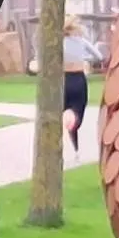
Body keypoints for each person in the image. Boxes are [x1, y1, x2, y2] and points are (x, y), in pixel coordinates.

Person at [33, 18, 106, 153]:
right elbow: (99, 56)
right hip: (78, 78)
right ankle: (74, 140)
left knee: (61, 109)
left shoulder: (56, 43)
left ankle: (60, 144)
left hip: (63, 79)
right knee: (78, 108)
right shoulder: (81, 42)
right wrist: (83, 59)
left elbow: (44, 58)